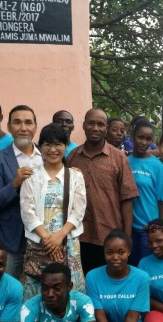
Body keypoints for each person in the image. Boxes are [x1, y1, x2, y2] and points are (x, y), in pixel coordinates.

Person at [66, 109, 138, 274]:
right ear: (84, 125)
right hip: (79, 235)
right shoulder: (72, 157)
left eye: (100, 124)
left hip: (110, 236)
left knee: (109, 280)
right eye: (91, 123)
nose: (95, 128)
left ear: (106, 128)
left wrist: (127, 237)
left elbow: (127, 198)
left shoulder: (118, 158)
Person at [20, 123, 86, 299]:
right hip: (39, 244)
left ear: (65, 146)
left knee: (68, 291)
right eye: (47, 144)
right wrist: (48, 239)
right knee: (38, 291)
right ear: (40, 147)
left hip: (68, 243)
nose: (53, 149)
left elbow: (79, 210)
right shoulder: (31, 176)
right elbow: (27, 211)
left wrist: (60, 236)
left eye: (58, 144)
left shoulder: (76, 176)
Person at [86, 230, 150, 322]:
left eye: (121, 252)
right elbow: (99, 315)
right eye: (110, 252)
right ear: (104, 252)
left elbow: (132, 316)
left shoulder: (141, 278)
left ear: (129, 252)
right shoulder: (92, 276)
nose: (115, 257)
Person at [0, 105, 43, 279]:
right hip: (9, 238)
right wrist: (15, 183)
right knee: (8, 287)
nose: (23, 128)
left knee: (38, 289)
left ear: (35, 127)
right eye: (17, 122)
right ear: (9, 127)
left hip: (42, 238)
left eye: (28, 122)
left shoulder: (47, 155)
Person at [128, 119, 163, 265]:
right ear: (133, 136)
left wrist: (159, 227)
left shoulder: (157, 166)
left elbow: (161, 201)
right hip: (129, 227)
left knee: (147, 266)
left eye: (148, 139)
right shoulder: (125, 161)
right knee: (131, 266)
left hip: (149, 228)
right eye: (140, 137)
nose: (144, 142)